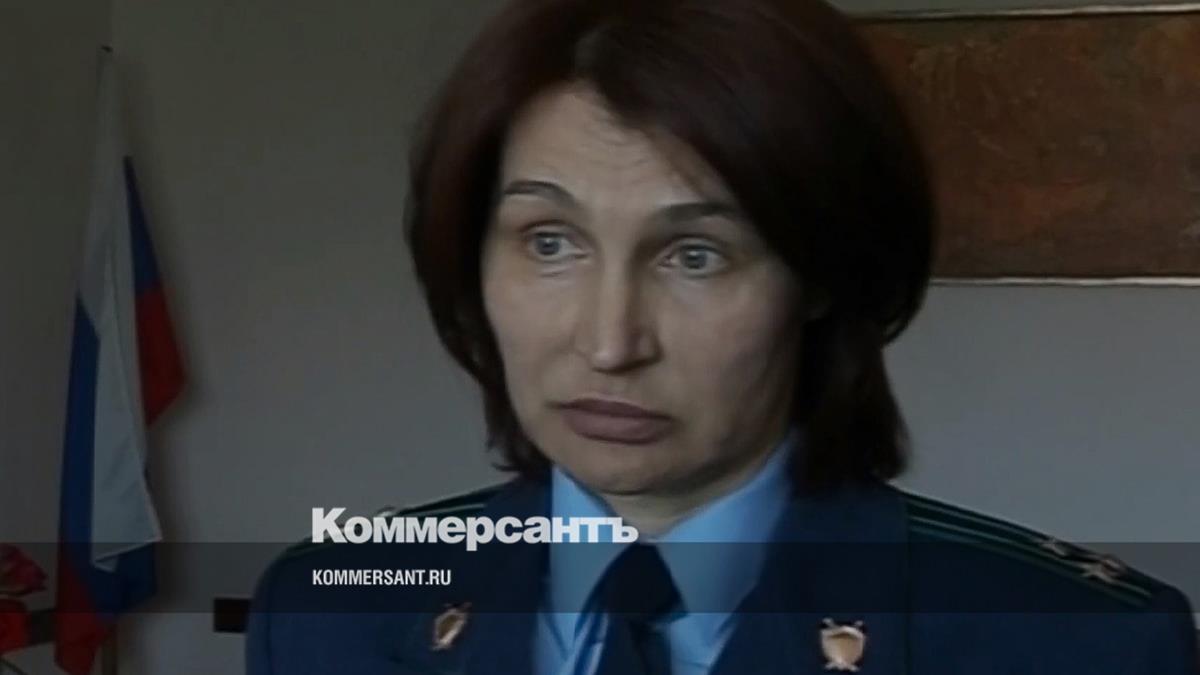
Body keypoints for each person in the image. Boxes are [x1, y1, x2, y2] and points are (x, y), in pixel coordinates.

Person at [246, 0, 1199, 673]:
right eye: (549, 241)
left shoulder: (1080, 641)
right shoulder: (328, 606)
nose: (610, 342)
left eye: (695, 254)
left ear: (820, 274)